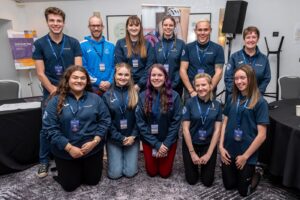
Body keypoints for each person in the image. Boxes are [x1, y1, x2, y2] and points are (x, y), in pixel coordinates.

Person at [42, 65, 111, 192]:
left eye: (82, 78)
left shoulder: (95, 98)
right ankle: (63, 169)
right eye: (75, 77)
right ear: (67, 79)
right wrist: (69, 148)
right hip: (66, 151)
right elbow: (50, 128)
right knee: (69, 186)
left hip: (92, 149)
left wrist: (95, 142)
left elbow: (105, 121)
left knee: (93, 181)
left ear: (87, 81)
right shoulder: (55, 100)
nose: (79, 81)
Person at [32, 7, 82, 178]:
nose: (55, 24)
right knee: (47, 127)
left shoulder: (73, 43)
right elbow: (40, 72)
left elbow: (78, 69)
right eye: (52, 21)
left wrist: (70, 88)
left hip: (72, 90)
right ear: (47, 22)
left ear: (63, 23)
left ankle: (68, 154)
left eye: (58, 21)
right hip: (50, 91)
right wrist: (53, 90)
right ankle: (44, 161)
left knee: (71, 122)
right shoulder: (39, 44)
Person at [219, 65, 269, 196]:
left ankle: (257, 172)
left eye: (243, 78)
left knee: (243, 192)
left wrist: (245, 156)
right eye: (236, 78)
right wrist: (220, 147)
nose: (239, 81)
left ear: (251, 79)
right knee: (229, 185)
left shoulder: (260, 102)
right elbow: (224, 123)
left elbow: (262, 135)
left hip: (247, 153)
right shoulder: (231, 98)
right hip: (229, 150)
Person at [135, 64, 182, 178]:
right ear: (149, 78)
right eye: (153, 75)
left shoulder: (175, 96)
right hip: (149, 140)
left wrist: (165, 144)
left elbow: (176, 124)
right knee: (151, 172)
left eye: (160, 75)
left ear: (165, 77)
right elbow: (141, 124)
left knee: (165, 173)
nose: (156, 78)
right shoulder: (142, 96)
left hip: (168, 141)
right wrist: (156, 144)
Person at [182, 73, 222, 186]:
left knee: (208, 182)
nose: (200, 88)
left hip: (208, 144)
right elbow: (185, 129)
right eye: (197, 85)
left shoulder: (217, 105)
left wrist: (209, 154)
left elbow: (217, 131)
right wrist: (192, 153)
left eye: (203, 85)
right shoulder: (189, 103)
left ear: (210, 86)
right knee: (191, 180)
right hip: (191, 143)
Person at [103, 63, 139, 179]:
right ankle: (118, 157)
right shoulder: (107, 95)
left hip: (132, 138)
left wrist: (133, 136)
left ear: (130, 77)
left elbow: (141, 119)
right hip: (114, 139)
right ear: (114, 75)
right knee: (114, 175)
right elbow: (106, 121)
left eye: (126, 75)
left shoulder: (136, 93)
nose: (122, 77)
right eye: (120, 74)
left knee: (130, 173)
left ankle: (126, 158)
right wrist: (120, 138)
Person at [180, 20, 224, 99]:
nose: (202, 33)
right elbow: (182, 70)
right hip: (191, 91)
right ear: (195, 31)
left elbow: (219, 72)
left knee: (209, 111)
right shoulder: (187, 47)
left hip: (210, 91)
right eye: (200, 30)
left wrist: (209, 89)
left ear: (210, 30)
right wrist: (191, 91)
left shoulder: (218, 48)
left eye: (205, 30)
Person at [224, 26, 271, 97]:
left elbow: (266, 78)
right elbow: (228, 78)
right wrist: (237, 94)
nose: (251, 40)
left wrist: (258, 93)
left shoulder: (264, 59)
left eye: (254, 37)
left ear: (257, 39)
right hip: (236, 97)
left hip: (256, 97)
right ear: (244, 39)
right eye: (248, 37)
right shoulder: (234, 57)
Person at [114, 15, 155, 92]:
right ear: (127, 27)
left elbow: (150, 66)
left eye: (136, 25)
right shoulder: (120, 43)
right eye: (131, 25)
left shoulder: (148, 44)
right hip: (126, 83)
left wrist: (140, 84)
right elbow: (119, 65)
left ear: (140, 28)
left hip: (144, 85)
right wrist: (128, 82)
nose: (134, 28)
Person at [80, 14, 115, 96]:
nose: (96, 28)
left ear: (102, 27)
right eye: (93, 26)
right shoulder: (82, 45)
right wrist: (98, 82)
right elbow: (83, 68)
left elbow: (115, 66)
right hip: (91, 89)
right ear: (89, 27)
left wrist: (109, 81)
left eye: (98, 26)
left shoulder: (111, 45)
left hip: (109, 88)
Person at [154, 16, 186, 97]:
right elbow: (154, 66)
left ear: (174, 27)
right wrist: (159, 83)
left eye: (171, 25)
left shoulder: (181, 44)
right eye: (165, 25)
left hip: (176, 86)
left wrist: (174, 84)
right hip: (159, 85)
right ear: (162, 26)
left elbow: (182, 67)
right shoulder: (156, 45)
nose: (168, 27)